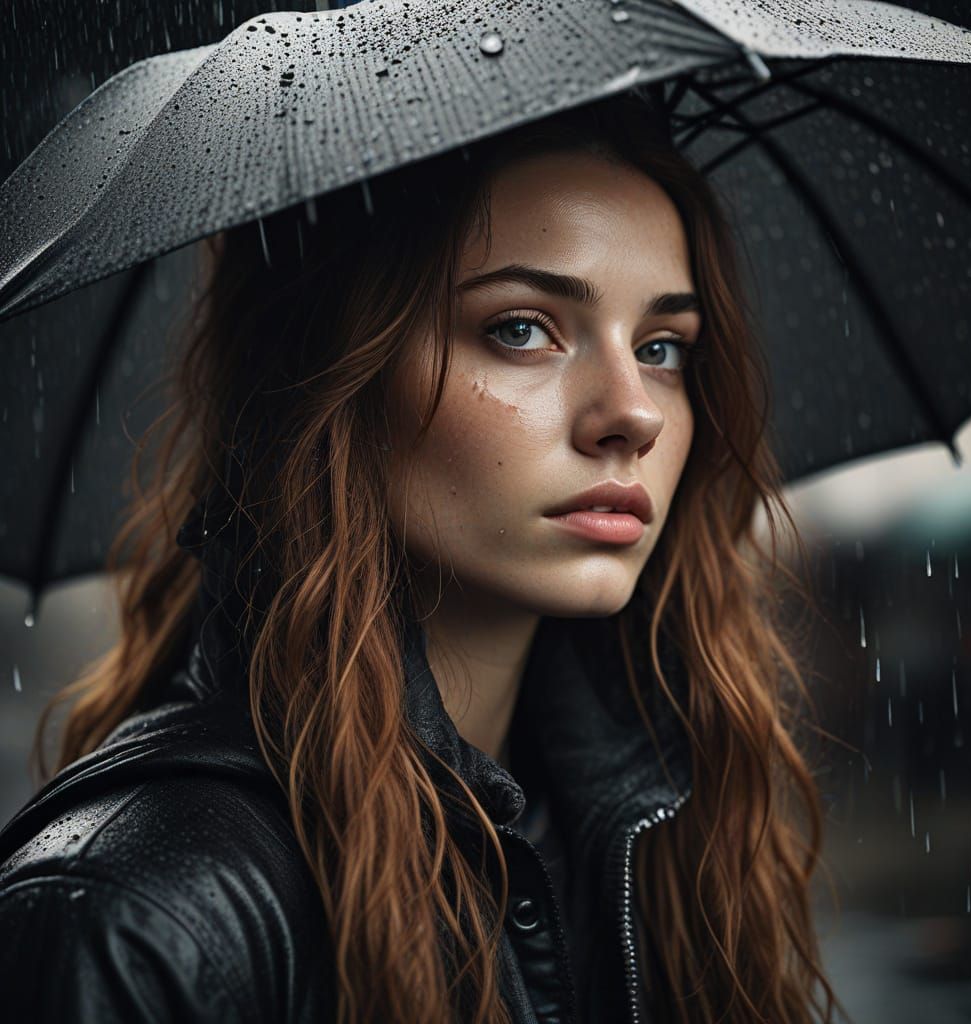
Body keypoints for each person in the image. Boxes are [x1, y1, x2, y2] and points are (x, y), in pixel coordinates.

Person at [0, 87, 847, 1023]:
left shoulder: (665, 812)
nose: (634, 414)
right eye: (520, 329)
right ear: (332, 378)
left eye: (661, 346)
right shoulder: (136, 919)